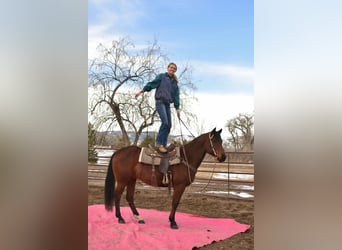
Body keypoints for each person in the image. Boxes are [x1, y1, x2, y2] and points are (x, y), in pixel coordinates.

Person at [135, 62, 180, 153]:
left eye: (174, 68)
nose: (172, 69)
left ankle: (163, 144)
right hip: (160, 102)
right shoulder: (162, 77)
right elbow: (152, 84)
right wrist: (142, 91)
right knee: (165, 123)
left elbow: (176, 96)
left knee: (169, 125)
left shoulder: (174, 83)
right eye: (171, 67)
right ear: (168, 68)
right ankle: (159, 144)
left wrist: (177, 108)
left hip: (167, 104)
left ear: (175, 71)